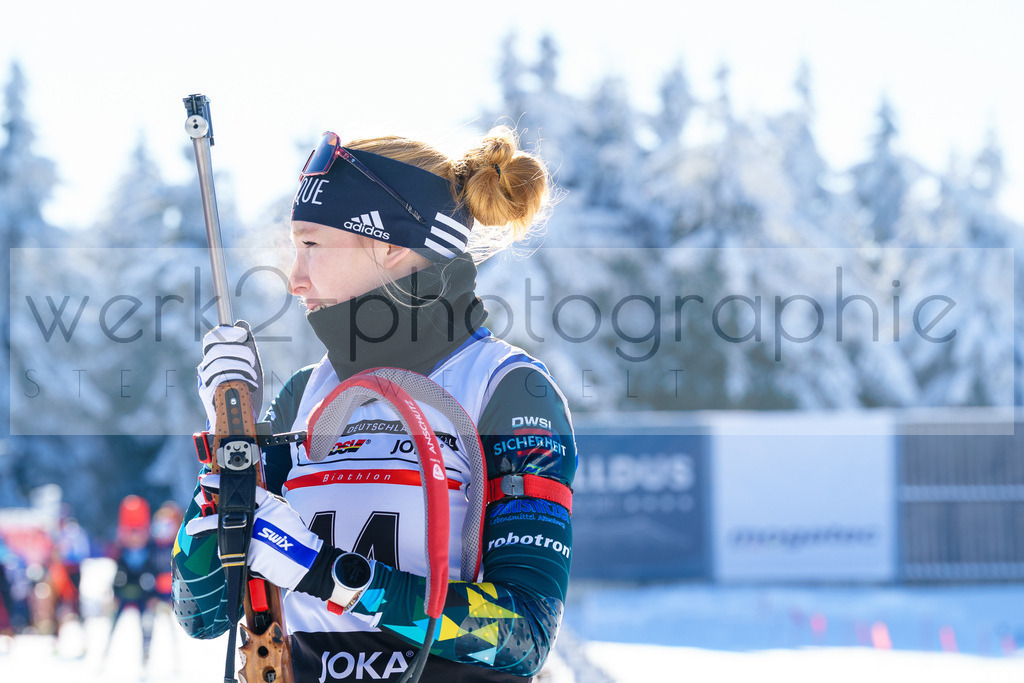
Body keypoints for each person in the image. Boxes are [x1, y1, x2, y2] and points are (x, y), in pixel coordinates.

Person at [173, 127, 576, 682]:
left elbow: (521, 637)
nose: (294, 279)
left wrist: (322, 571)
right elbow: (202, 613)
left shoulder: (505, 390)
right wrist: (227, 461)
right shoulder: (303, 397)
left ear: (388, 244)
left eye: (311, 244)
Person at [105, 495, 161, 667]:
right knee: (114, 623)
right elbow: (117, 574)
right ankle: (105, 653)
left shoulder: (150, 550)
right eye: (131, 532)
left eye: (138, 532)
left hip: (143, 593)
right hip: (124, 592)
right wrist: (114, 593)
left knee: (146, 624)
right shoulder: (121, 551)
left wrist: (154, 595)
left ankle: (146, 654)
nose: (134, 537)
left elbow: (153, 573)